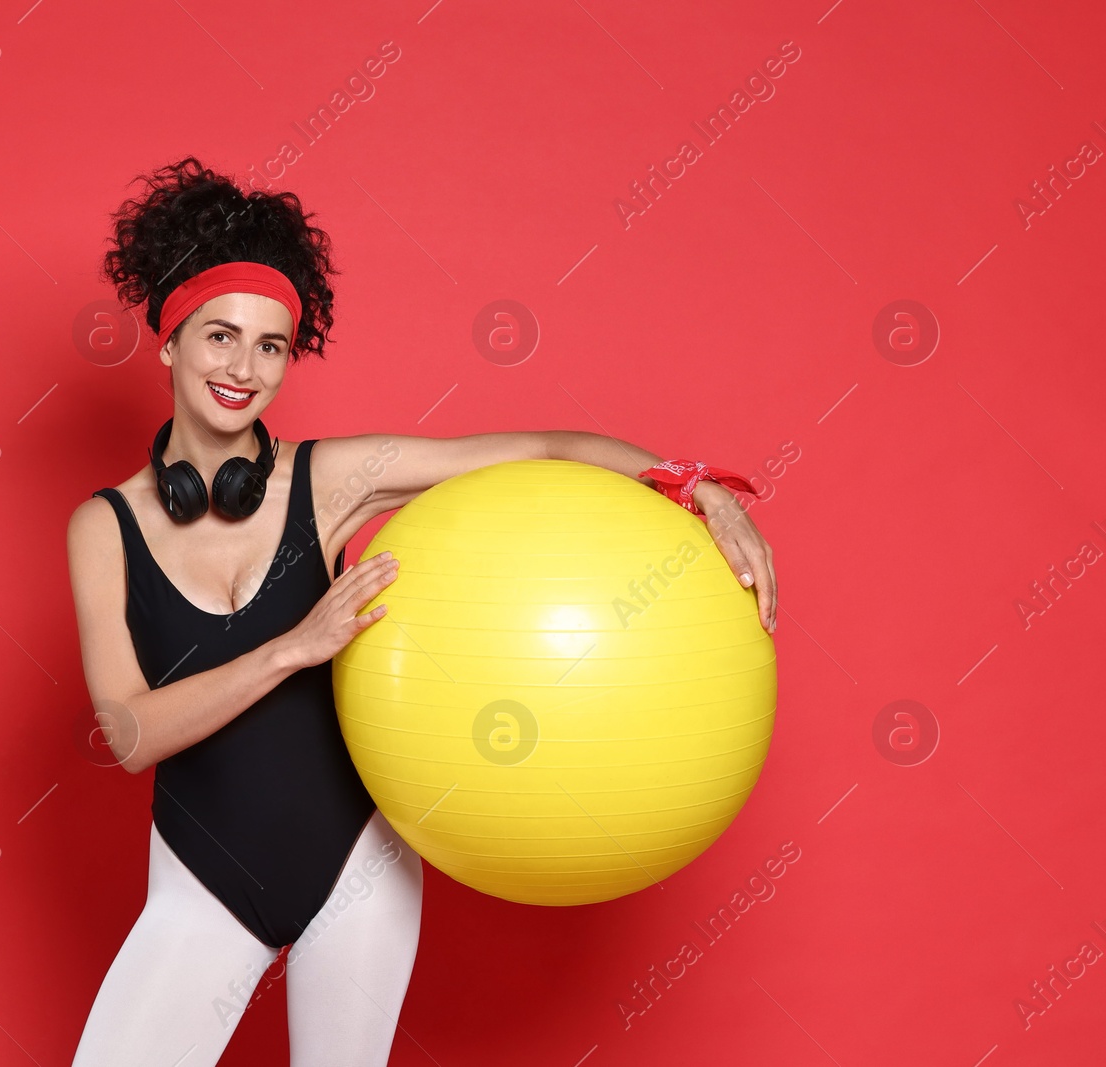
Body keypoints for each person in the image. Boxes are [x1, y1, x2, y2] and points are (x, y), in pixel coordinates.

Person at [65, 157, 777, 1067]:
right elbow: (128, 733)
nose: (243, 369)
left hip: (360, 869)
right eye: (219, 336)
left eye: (272, 345)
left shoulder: (331, 482)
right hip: (205, 876)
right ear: (168, 341)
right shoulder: (105, 526)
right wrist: (296, 647)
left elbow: (549, 446)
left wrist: (698, 487)